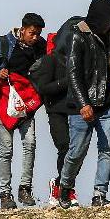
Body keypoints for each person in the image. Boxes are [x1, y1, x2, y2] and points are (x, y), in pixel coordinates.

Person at [55, 0, 110, 209]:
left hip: (107, 103)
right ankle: (65, 187)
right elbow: (73, 73)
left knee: (108, 147)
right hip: (82, 106)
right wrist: (83, 104)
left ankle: (100, 194)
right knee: (77, 150)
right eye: (107, 21)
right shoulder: (77, 36)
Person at [0, 14, 46, 209]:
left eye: (38, 34)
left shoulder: (40, 46)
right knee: (7, 149)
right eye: (32, 33)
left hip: (26, 104)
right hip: (3, 103)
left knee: (30, 144)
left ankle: (25, 189)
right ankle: (5, 194)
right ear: (22, 30)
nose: (36, 37)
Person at [27, 33, 77, 208]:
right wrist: (67, 82)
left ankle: (63, 185)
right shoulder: (50, 61)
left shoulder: (75, 60)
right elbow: (43, 87)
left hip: (74, 111)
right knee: (65, 147)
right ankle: (62, 188)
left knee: (74, 151)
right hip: (56, 111)